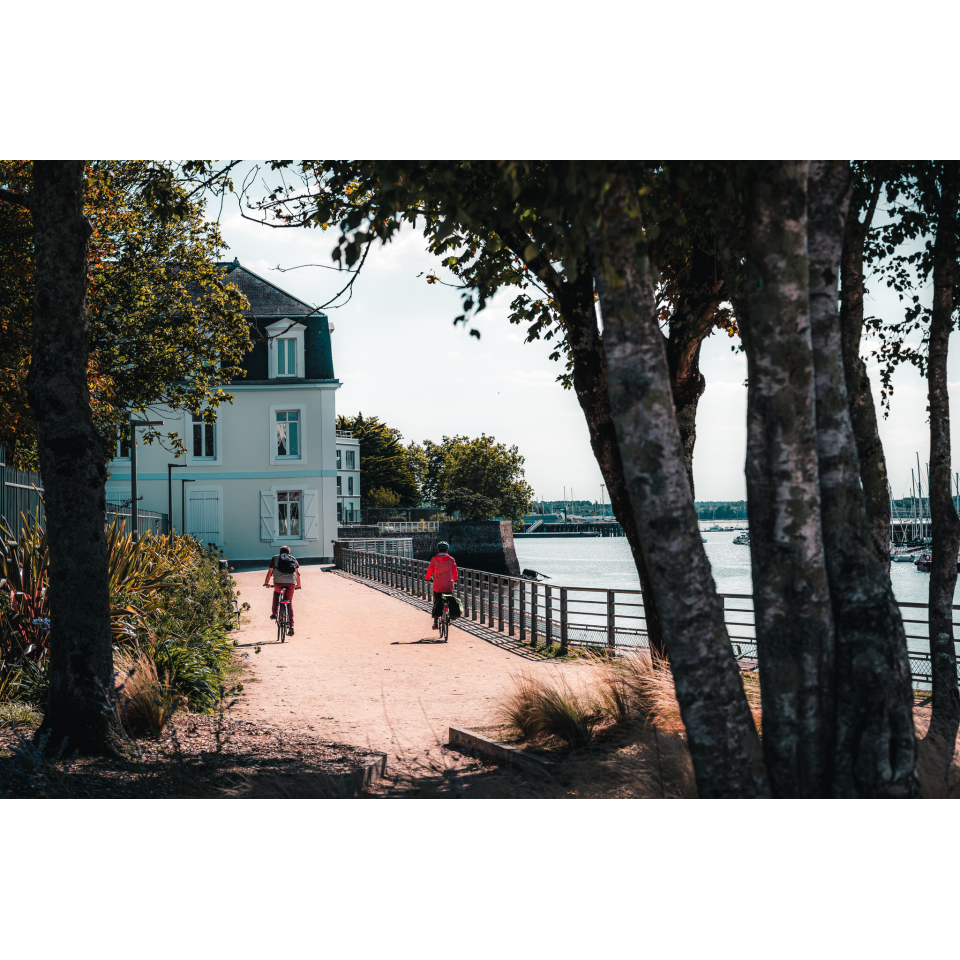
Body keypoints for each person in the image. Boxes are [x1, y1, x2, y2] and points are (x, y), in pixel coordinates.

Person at [264, 545, 301, 635]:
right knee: (289, 602)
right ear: (289, 552)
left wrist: (266, 583)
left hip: (278, 582)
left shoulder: (275, 558)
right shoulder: (293, 558)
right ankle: (291, 626)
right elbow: (297, 573)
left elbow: (270, 572)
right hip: (291, 583)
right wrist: (298, 585)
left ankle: (274, 613)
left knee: (277, 593)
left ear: (280, 552)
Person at [425, 541, 458, 630]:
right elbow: (455, 573)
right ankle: (452, 615)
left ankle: (436, 622)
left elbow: (429, 571)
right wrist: (454, 580)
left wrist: (427, 579)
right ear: (447, 550)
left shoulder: (434, 559)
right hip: (449, 585)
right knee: (450, 598)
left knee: (437, 601)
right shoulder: (451, 560)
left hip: (438, 585)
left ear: (438, 550)